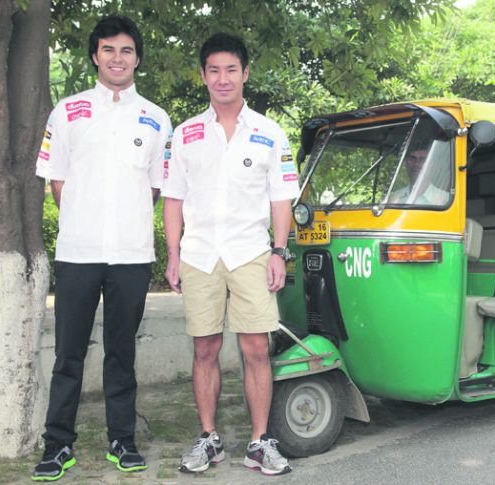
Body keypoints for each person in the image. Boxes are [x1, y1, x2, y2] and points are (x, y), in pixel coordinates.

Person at [32, 15, 172, 482]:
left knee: (120, 353)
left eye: (127, 51)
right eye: (109, 49)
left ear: (137, 59)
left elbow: (156, 186)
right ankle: (58, 445)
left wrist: (125, 218)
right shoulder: (67, 111)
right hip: (77, 252)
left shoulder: (156, 118)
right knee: (68, 353)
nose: (118, 58)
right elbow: (57, 181)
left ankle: (122, 439)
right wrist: (86, 218)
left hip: (132, 256)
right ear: (95, 55)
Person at [161, 32, 299, 476]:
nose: (223, 78)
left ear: (245, 74)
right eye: (214, 70)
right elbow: (174, 200)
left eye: (231, 70)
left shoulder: (269, 133)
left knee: (256, 347)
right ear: (203, 76)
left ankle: (259, 442)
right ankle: (208, 438)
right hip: (200, 254)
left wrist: (279, 252)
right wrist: (173, 254)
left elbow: (282, 199)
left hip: (251, 253)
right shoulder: (185, 134)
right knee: (205, 348)